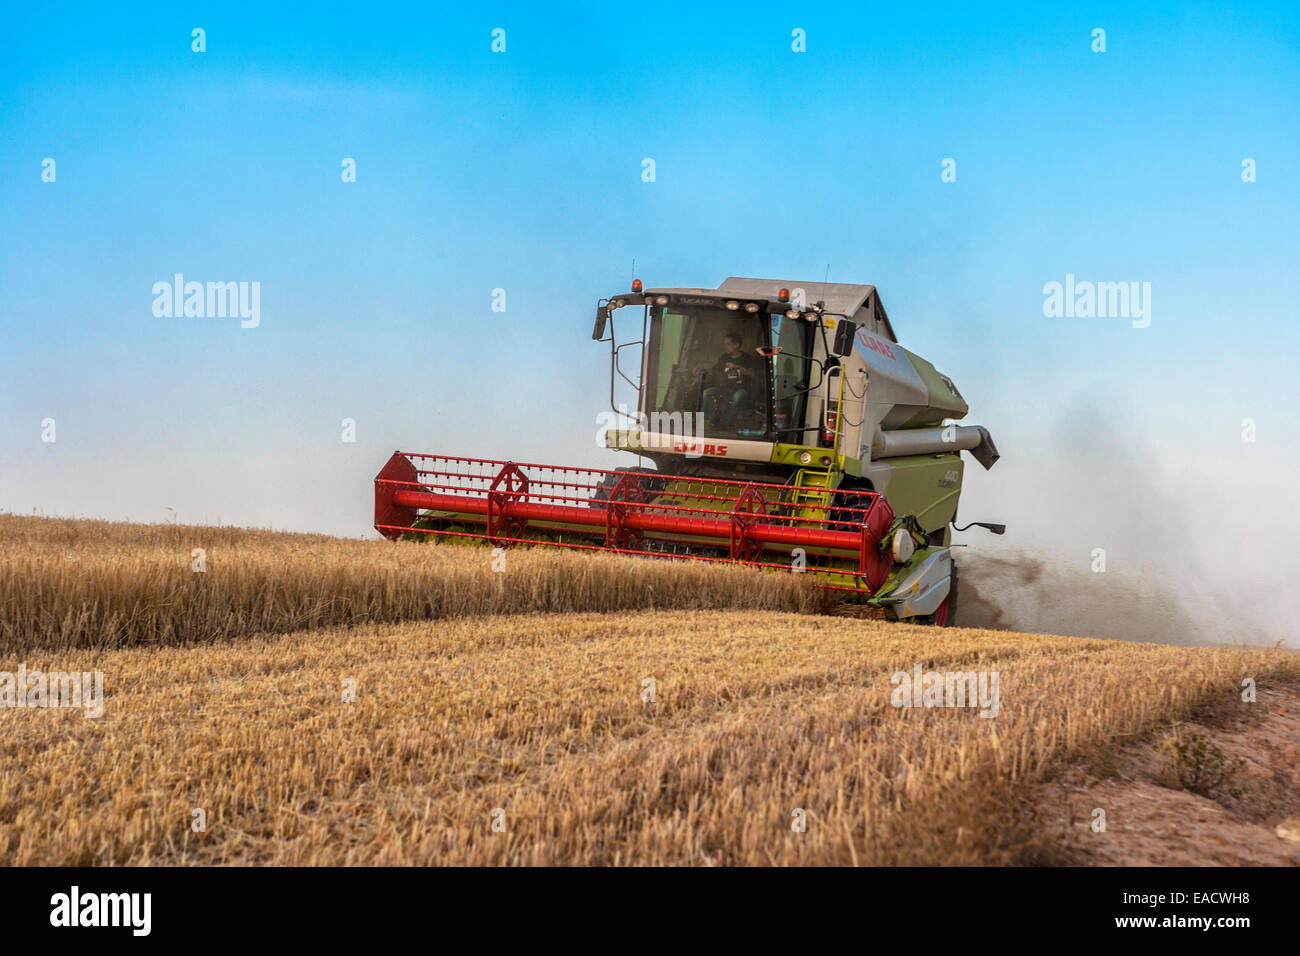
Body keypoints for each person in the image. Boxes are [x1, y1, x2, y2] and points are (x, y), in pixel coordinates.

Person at [698, 332, 759, 430]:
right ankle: (705, 421)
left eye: (728, 344)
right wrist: (702, 369)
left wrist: (736, 367)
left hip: (741, 389)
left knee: (736, 397)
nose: (725, 347)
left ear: (737, 345)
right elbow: (714, 370)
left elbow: (752, 373)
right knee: (706, 393)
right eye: (725, 344)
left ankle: (726, 425)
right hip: (724, 388)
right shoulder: (724, 357)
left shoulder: (747, 358)